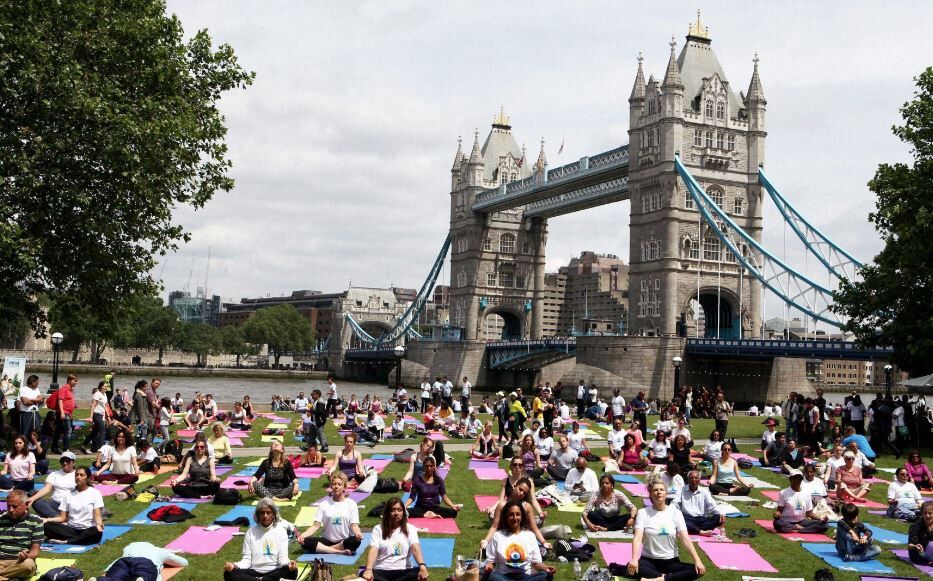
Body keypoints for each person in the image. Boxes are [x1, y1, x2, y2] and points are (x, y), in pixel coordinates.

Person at [626, 480, 705, 581]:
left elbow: (685, 539)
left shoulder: (676, 513)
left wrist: (697, 560)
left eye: (661, 490)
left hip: (671, 561)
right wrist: (634, 558)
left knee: (696, 570)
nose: (659, 492)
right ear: (650, 494)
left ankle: (657, 579)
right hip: (648, 560)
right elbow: (637, 538)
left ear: (666, 493)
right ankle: (669, 578)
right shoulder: (643, 513)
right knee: (631, 567)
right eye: (655, 490)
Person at [223, 498, 298, 580]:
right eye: (262, 513)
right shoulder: (250, 532)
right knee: (229, 573)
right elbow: (246, 561)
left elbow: (283, 559)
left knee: (292, 571)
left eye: (268, 513)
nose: (265, 516)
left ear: (273, 515)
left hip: (275, 571)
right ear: (258, 515)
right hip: (254, 571)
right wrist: (234, 565)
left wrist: (289, 563)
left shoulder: (281, 531)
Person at [483, 501, 556, 581]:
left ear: (522, 517)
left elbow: (536, 563)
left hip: (525, 577)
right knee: (491, 576)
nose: (515, 518)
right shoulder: (497, 535)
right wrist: (488, 568)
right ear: (506, 517)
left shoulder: (530, 535)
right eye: (511, 515)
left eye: (518, 514)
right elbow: (491, 562)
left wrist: (546, 568)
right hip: (503, 577)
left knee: (546, 575)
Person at [362, 497, 428, 581]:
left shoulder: (410, 528)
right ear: (387, 513)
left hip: (404, 571)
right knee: (364, 575)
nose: (396, 513)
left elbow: (415, 548)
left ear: (403, 512)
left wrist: (422, 566)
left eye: (399, 510)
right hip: (382, 571)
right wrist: (368, 569)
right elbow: (374, 549)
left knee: (419, 573)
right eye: (392, 510)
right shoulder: (378, 529)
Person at [298, 473, 363, 555]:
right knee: (306, 541)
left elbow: (354, 525)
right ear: (331, 486)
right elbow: (315, 526)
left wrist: (358, 533)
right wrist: (303, 536)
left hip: (344, 541)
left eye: (339, 484)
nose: (336, 486)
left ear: (344, 487)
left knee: (355, 541)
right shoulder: (323, 504)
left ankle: (327, 550)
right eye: (334, 484)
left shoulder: (351, 504)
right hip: (327, 540)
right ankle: (338, 551)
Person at [41, 466, 104, 545]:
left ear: (88, 478)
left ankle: (67, 541)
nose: (78, 477)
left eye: (82, 475)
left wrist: (99, 524)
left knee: (96, 531)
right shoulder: (68, 494)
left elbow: (97, 515)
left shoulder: (95, 493)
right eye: (76, 475)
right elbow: (62, 517)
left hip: (88, 529)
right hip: (71, 529)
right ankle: (79, 539)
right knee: (46, 526)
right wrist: (47, 520)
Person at [92, 541, 190, 581]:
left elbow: (115, 563)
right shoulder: (159, 551)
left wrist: (108, 570)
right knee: (144, 572)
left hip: (124, 560)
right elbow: (183, 562)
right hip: (145, 561)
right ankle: (141, 578)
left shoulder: (128, 548)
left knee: (117, 573)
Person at [0, 490, 42, 579]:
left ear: (26, 505)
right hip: (1, 561)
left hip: (21, 563)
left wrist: (27, 556)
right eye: (8, 506)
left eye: (15, 507)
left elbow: (35, 552)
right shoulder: (1, 520)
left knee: (28, 566)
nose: (11, 510)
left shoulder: (36, 521)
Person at [773, 469, 829, 534]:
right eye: (795, 478)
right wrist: (777, 514)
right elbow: (779, 510)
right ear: (790, 479)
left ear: (801, 480)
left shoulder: (806, 493)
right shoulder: (784, 493)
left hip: (802, 522)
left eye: (799, 479)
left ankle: (799, 529)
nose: (797, 480)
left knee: (824, 525)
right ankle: (797, 528)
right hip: (787, 521)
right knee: (777, 523)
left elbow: (809, 513)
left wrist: (821, 519)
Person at [672, 470, 724, 535]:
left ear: (699, 480)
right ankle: (700, 531)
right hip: (687, 518)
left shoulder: (704, 491)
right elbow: (674, 503)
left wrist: (720, 513)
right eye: (691, 478)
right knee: (678, 518)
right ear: (688, 479)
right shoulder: (681, 490)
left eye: (696, 478)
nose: (694, 480)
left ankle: (692, 529)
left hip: (702, 519)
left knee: (718, 517)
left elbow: (712, 505)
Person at [27, 451, 76, 518]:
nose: (65, 463)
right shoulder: (54, 474)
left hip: (71, 505)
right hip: (55, 503)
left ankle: (54, 516)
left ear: (73, 462)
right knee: (37, 502)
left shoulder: (78, 475)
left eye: (68, 461)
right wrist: (32, 498)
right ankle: (58, 517)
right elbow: (46, 489)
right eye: (62, 461)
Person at [16, 375, 44, 440]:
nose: (38, 384)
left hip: (36, 413)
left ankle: (35, 447)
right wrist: (36, 401)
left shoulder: (37, 389)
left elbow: (41, 399)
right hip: (26, 414)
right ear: (32, 382)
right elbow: (25, 402)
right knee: (25, 432)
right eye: (36, 382)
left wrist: (31, 400)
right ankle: (25, 448)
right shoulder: (23, 389)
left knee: (37, 431)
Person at [907, 501, 933, 565]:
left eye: (930, 513)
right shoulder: (916, 526)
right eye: (925, 513)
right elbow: (909, 545)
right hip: (919, 553)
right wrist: (915, 546)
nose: (927, 516)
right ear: (922, 514)